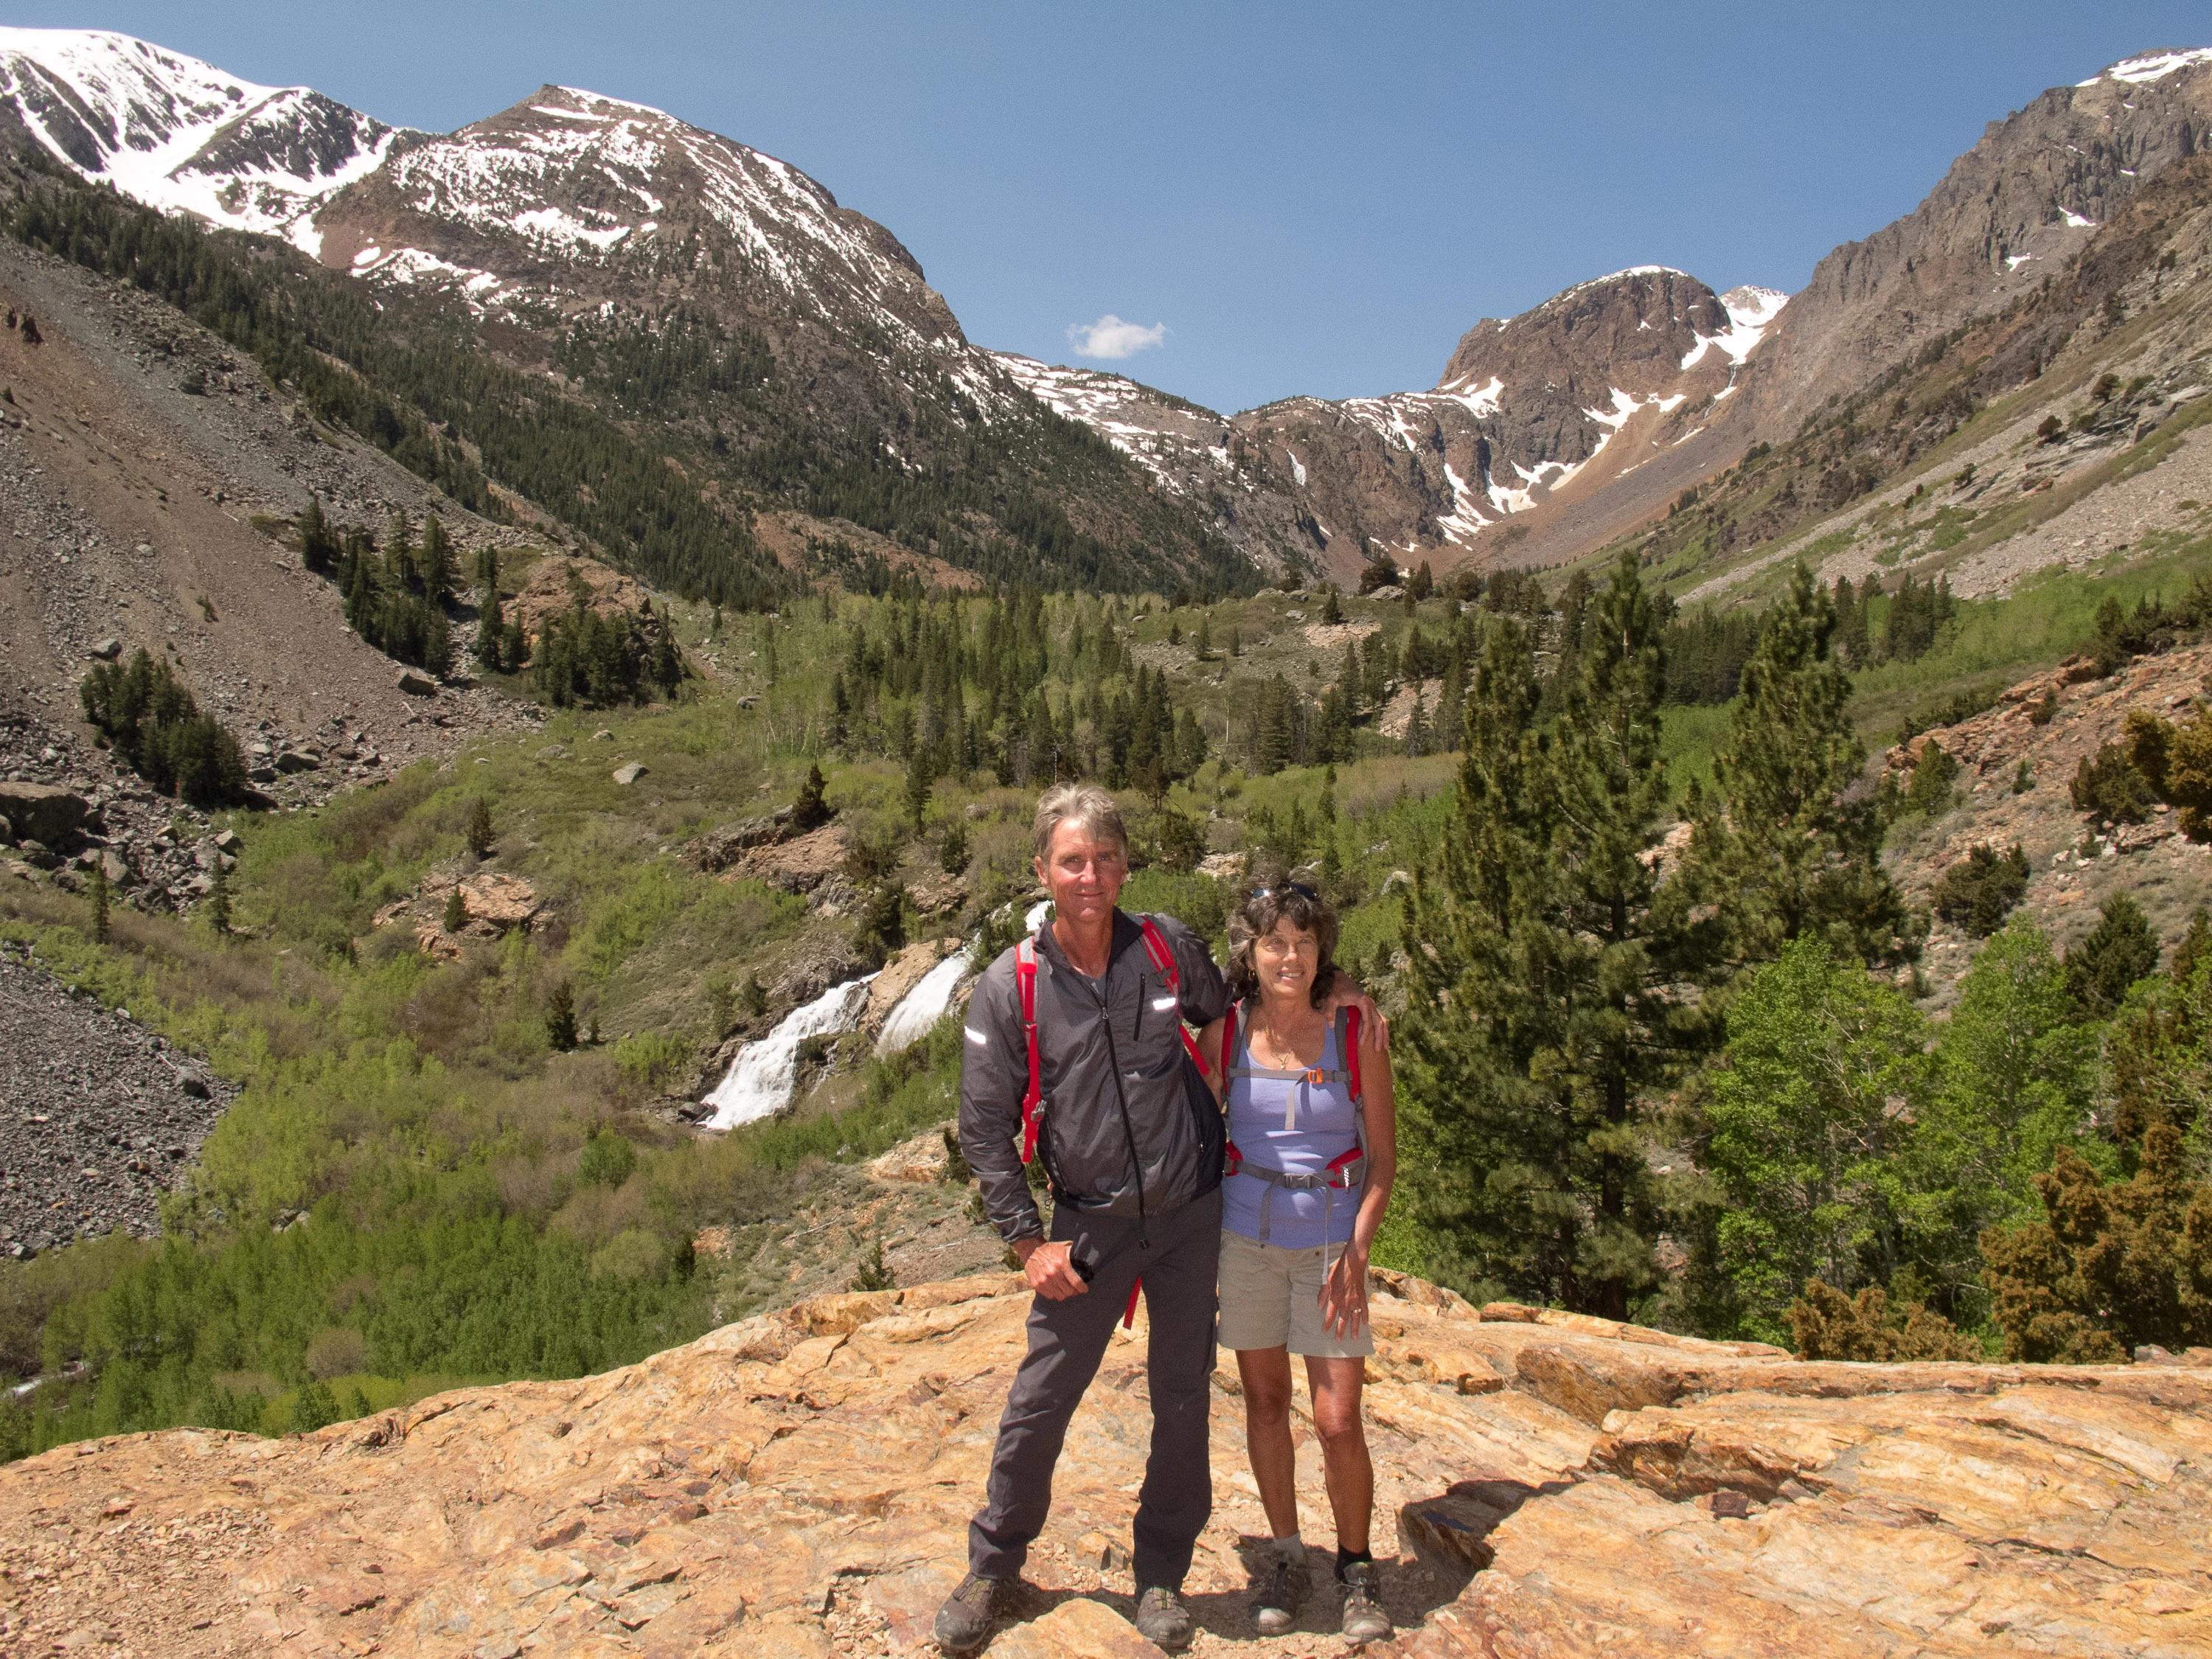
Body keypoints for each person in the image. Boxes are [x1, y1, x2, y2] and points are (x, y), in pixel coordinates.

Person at [937, 785, 1383, 1655]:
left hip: (1189, 1218)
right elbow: (985, 1131)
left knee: (1181, 1403)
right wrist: (1028, 1242)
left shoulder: (1167, 950)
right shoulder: (1010, 988)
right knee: (1041, 1400)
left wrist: (1340, 990)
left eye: (1105, 859)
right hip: (1087, 1230)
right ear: (1042, 871)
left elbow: (1252, 1006)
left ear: (1125, 866)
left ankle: (1160, 1578)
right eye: (1072, 861)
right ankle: (994, 1567)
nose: (1090, 876)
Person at [1195, 869, 1396, 1644]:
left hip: (1329, 1243)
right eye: (1275, 942)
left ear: (1323, 952)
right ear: (1251, 950)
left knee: (1338, 1418)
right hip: (1246, 1239)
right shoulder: (1230, 1030)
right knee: (1266, 1404)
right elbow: (1187, 1117)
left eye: (1305, 944)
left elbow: (1384, 1159)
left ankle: (1356, 1566)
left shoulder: (1356, 1032)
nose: (1290, 958)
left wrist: (1357, 1251)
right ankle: (1285, 1555)